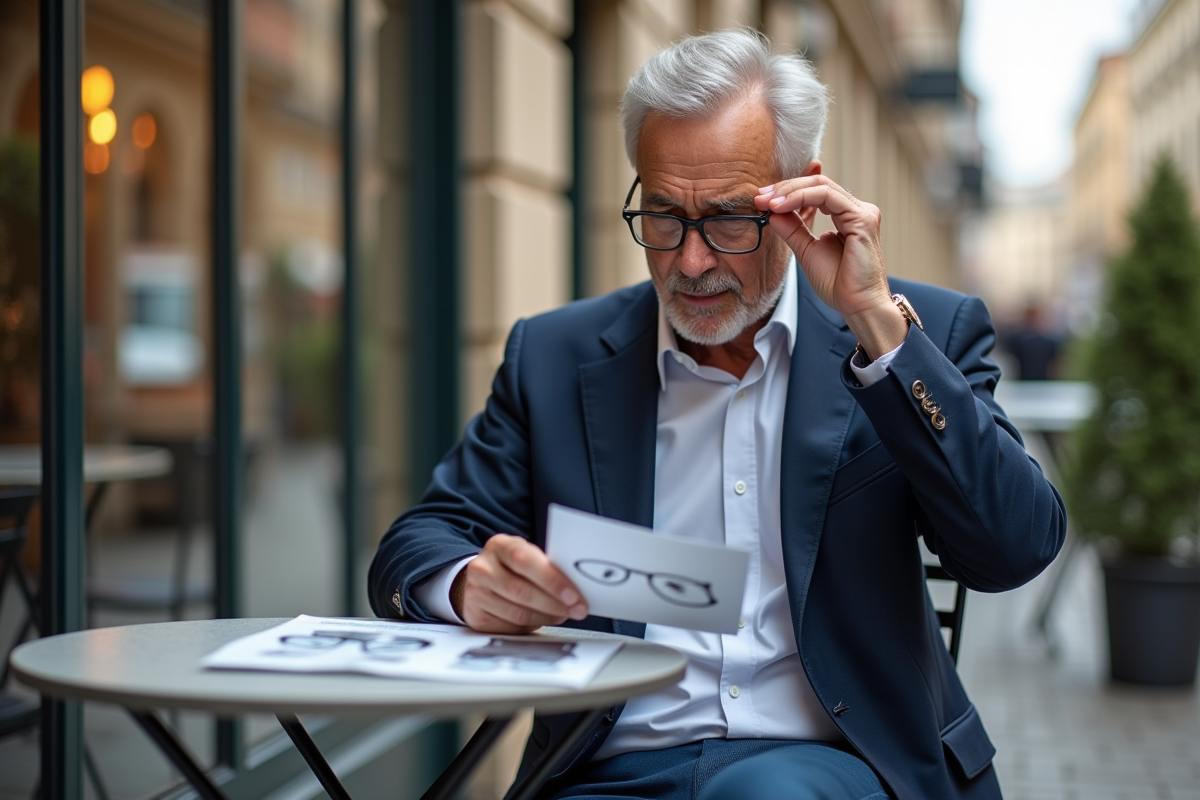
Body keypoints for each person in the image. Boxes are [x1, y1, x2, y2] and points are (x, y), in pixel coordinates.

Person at [369, 29, 1065, 800]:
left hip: (834, 763)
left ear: (800, 194)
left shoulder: (915, 333)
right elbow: (417, 542)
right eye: (664, 217)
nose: (690, 261)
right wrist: (468, 583)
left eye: (730, 220)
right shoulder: (556, 356)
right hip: (611, 769)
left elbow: (1015, 548)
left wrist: (878, 327)